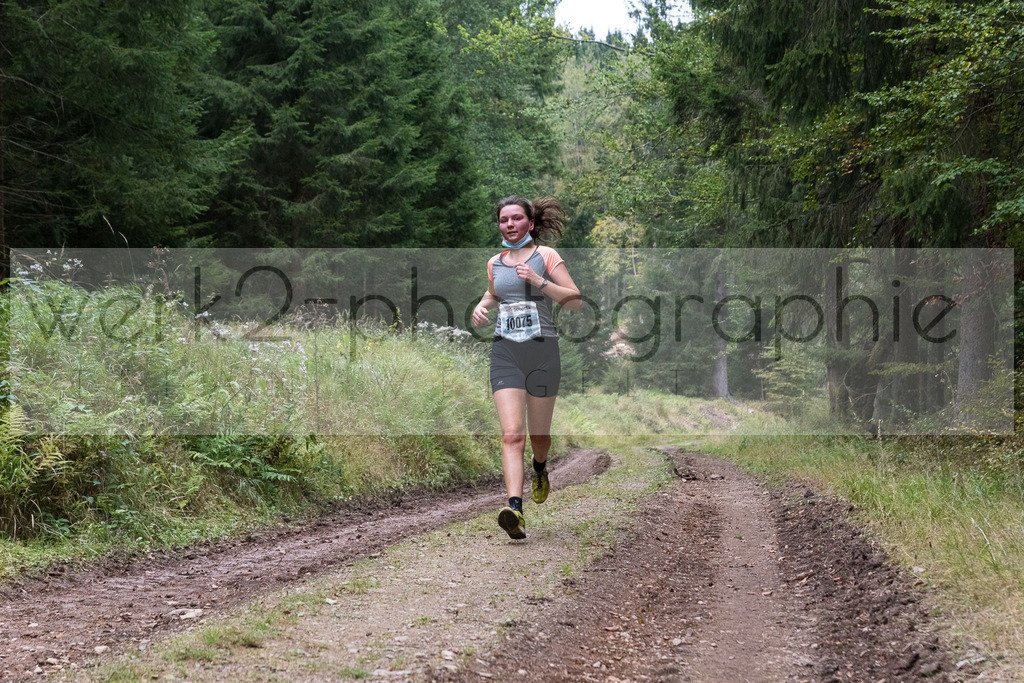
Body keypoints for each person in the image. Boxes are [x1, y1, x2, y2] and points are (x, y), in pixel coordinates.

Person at [471, 195, 582, 539]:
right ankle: (514, 509)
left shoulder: (545, 257)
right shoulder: (496, 262)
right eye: (504, 220)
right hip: (506, 352)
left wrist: (539, 282)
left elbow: (575, 301)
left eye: (516, 218)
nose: (509, 224)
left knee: (538, 437)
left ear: (530, 224)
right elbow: (494, 293)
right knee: (511, 434)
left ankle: (540, 467)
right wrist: (481, 306)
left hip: (542, 353)